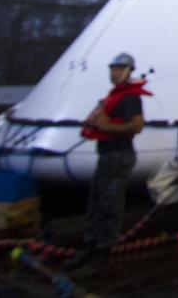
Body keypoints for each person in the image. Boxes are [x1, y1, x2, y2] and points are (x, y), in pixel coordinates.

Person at [66, 52, 148, 270]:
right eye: (113, 69)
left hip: (119, 155)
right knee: (96, 201)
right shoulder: (114, 96)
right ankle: (90, 247)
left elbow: (136, 125)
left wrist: (105, 126)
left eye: (120, 69)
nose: (115, 72)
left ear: (129, 72)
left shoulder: (131, 98)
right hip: (107, 155)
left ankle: (103, 252)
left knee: (110, 203)